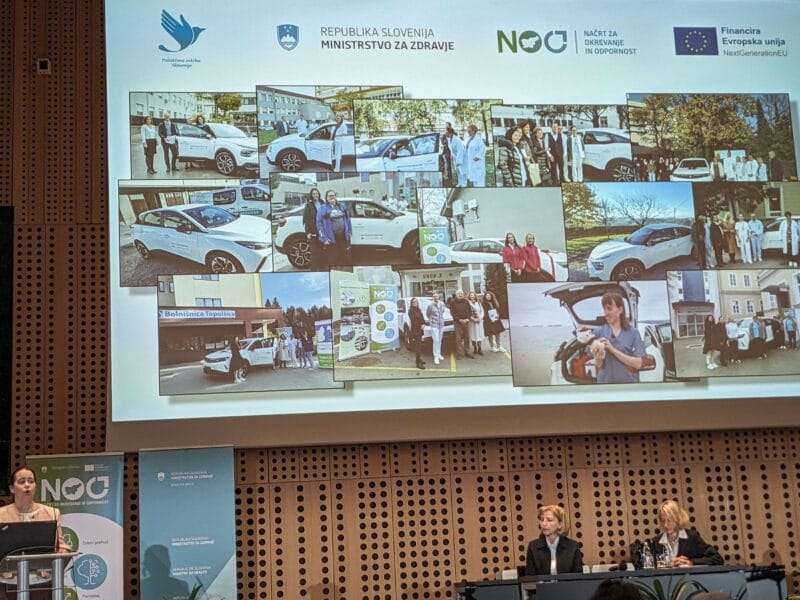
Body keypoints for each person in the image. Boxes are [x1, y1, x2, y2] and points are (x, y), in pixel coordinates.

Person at [590, 291, 646, 384]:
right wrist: (598, 357)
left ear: (620, 310)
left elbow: (638, 364)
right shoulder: (598, 332)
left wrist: (612, 350)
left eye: (609, 308)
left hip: (628, 386)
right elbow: (597, 364)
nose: (605, 313)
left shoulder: (633, 333)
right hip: (605, 385)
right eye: (604, 309)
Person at [650, 500, 723, 566]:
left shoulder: (692, 537)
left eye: (669, 520)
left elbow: (717, 558)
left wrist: (691, 562)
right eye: (663, 520)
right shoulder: (655, 542)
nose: (665, 525)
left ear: (678, 518)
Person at [525, 504, 583, 576]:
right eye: (542, 520)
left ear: (560, 524)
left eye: (549, 520)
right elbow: (530, 579)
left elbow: (578, 578)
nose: (544, 524)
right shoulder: (533, 547)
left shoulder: (573, 546)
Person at [317, 190, 352, 267]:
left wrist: (349, 231)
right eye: (329, 196)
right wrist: (324, 238)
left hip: (343, 236)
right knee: (333, 259)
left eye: (333, 195)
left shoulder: (341, 206)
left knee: (346, 257)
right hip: (331, 238)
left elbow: (347, 219)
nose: (331, 197)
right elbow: (319, 224)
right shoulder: (322, 208)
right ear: (326, 198)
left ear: (335, 197)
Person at [302, 187, 324, 270]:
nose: (315, 195)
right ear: (311, 195)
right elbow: (306, 219)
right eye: (314, 194)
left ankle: (321, 269)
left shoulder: (322, 202)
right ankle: (313, 270)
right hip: (313, 231)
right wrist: (308, 232)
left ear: (319, 194)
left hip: (322, 231)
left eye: (317, 193)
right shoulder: (309, 205)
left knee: (322, 251)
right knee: (314, 252)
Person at [449, 289, 473, 360]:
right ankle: (460, 353)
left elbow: (470, 311)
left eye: (461, 293)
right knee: (458, 338)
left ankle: (467, 352)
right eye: (459, 293)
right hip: (457, 322)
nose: (460, 295)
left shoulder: (466, 301)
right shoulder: (452, 302)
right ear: (456, 294)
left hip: (466, 321)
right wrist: (459, 320)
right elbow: (452, 313)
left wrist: (468, 319)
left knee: (467, 337)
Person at [426, 292, 446, 365]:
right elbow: (428, 314)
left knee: (440, 340)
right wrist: (431, 322)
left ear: (439, 297)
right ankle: (436, 356)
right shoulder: (430, 305)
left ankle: (439, 354)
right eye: (434, 296)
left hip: (441, 325)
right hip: (434, 325)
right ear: (432, 297)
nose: (435, 297)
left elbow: (442, 312)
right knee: (436, 340)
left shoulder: (442, 304)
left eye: (436, 296)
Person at [407, 297, 426, 370]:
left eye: (416, 301)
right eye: (413, 302)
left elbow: (422, 318)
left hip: (420, 330)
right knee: (417, 346)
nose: (415, 303)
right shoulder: (410, 311)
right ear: (411, 303)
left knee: (419, 345)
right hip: (415, 330)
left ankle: (419, 359)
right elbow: (413, 321)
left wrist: (423, 323)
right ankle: (418, 363)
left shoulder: (419, 310)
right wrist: (421, 324)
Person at [466, 291, 484, 356]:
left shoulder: (478, 303)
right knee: (473, 335)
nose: (472, 296)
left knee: (479, 334)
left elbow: (482, 311)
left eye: (473, 295)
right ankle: (475, 348)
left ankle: (480, 348)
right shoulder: (468, 303)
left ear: (475, 296)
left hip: (479, 322)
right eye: (471, 295)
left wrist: (480, 318)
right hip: (472, 322)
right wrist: (473, 319)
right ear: (469, 296)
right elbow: (467, 313)